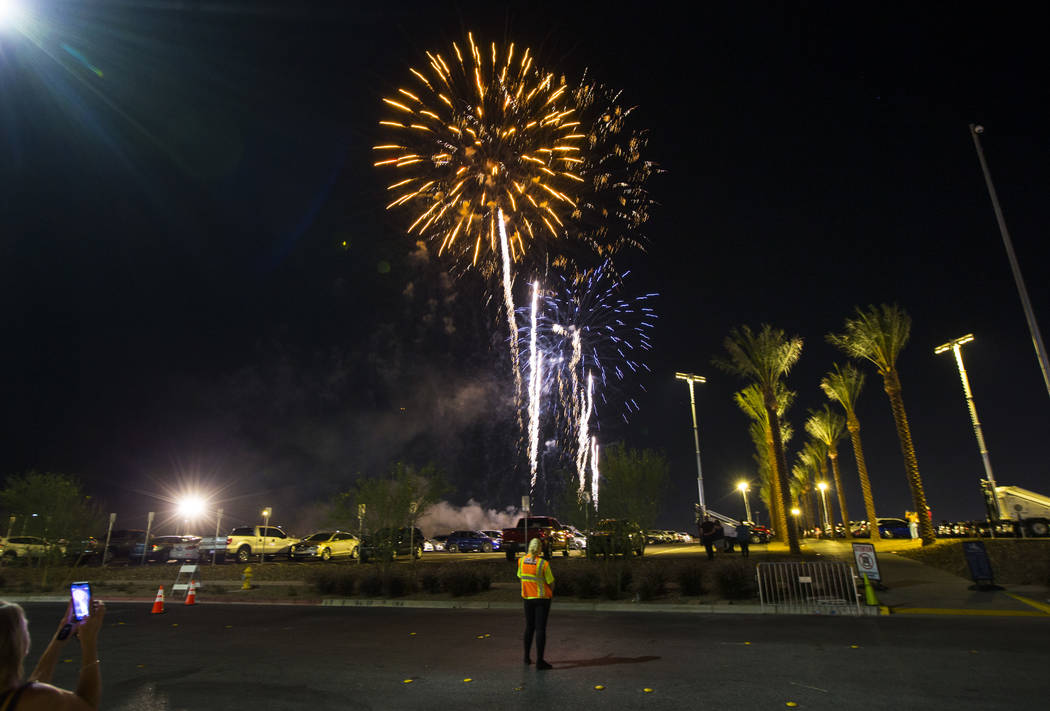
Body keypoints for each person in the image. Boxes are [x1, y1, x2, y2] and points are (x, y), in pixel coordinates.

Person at [0, 598, 105, 710]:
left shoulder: (21, 697)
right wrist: (89, 642)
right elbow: (87, 706)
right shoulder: (43, 698)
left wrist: (59, 638)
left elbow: (33, 685)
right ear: (16, 641)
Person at [517, 538, 555, 671]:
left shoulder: (521, 561)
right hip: (542, 599)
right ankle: (540, 661)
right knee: (540, 629)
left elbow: (520, 576)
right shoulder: (543, 564)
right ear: (540, 549)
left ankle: (526, 658)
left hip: (527, 599)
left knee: (529, 627)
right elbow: (550, 582)